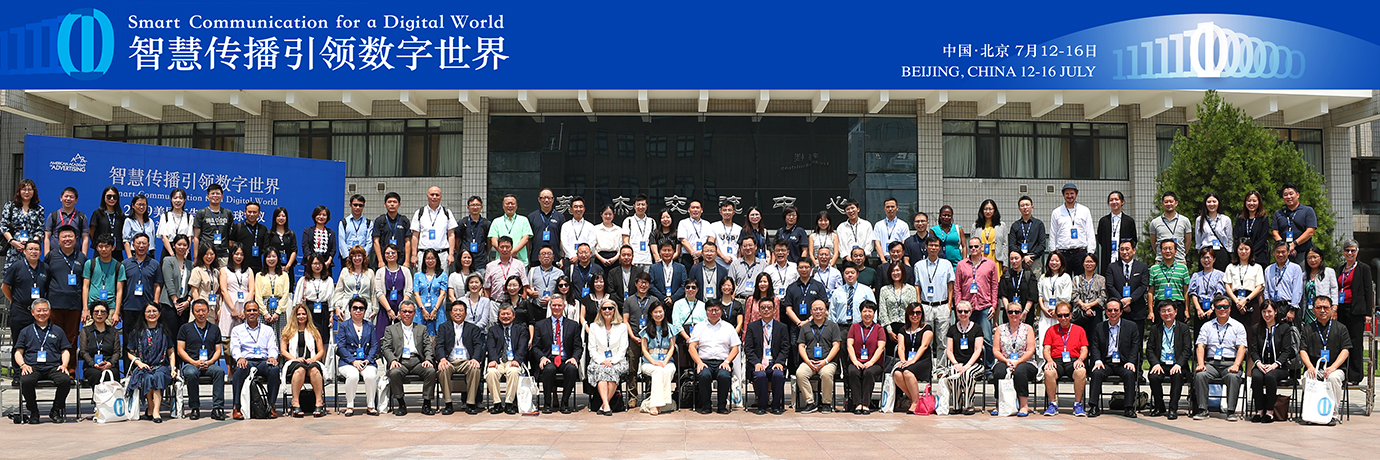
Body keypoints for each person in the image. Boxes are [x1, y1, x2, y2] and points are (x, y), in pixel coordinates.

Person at [13, 300, 73, 424]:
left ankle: (55, 410)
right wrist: (23, 365)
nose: (42, 313)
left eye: (45, 310)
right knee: (26, 381)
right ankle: (34, 412)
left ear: (49, 312)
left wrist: (64, 365)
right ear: (32, 312)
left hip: (53, 367)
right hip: (32, 367)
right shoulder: (25, 331)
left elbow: (65, 351)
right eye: (38, 310)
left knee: (65, 380)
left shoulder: (58, 331)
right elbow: (18, 352)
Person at [1191, 295, 1248, 421]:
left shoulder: (1238, 326)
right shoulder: (1207, 326)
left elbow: (1242, 348)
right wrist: (1201, 363)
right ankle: (1203, 410)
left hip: (1230, 363)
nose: (1222, 309)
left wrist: (1236, 365)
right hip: (1211, 363)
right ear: (1214, 308)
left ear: (1230, 308)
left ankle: (1231, 411)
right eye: (1219, 307)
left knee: (1233, 377)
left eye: (1225, 306)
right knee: (1200, 375)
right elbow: (1200, 346)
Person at [1299, 296, 1351, 424]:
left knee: (1333, 378)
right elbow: (1303, 350)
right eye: (1319, 307)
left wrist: (1333, 367)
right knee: (1307, 377)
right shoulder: (1308, 329)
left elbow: (1345, 350)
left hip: (1335, 369)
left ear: (1331, 309)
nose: (1322, 310)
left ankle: (1332, 414)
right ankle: (1311, 413)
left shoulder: (1341, 328)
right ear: (1313, 310)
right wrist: (1310, 367)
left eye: (1326, 307)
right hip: (1315, 368)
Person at [381, 300, 438, 416]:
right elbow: (386, 348)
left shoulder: (421, 328)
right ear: (399, 312)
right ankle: (401, 403)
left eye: (410, 312)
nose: (407, 314)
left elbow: (428, 346)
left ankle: (426, 404)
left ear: (414, 313)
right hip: (400, 361)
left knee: (431, 371)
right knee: (394, 372)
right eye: (404, 311)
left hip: (417, 361)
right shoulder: (390, 329)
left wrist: (428, 359)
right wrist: (392, 360)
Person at [1086, 300, 1141, 418]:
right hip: (1106, 362)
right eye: (1110, 310)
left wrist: (1131, 361)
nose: (1113, 313)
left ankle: (1129, 407)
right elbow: (1095, 346)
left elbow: (1135, 346)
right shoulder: (1100, 327)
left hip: (1124, 362)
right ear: (1106, 312)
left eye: (1116, 310)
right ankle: (1094, 406)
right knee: (1096, 373)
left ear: (1121, 312)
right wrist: (1097, 360)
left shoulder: (1131, 326)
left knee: (1130, 374)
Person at [229, 300, 281, 420]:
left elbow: (273, 347)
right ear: (244, 312)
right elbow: (234, 347)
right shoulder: (237, 329)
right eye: (249, 310)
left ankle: (271, 406)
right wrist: (239, 357)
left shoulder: (267, 329)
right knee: (239, 370)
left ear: (258, 312)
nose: (251, 312)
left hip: (263, 361)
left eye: (254, 310)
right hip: (246, 361)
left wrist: (272, 357)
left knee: (274, 370)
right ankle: (236, 407)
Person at [175, 299, 226, 420]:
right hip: (191, 363)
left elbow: (218, 350)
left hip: (209, 364)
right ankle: (194, 407)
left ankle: (217, 408)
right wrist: (194, 362)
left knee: (219, 372)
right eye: (197, 311)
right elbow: (180, 350)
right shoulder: (185, 328)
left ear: (208, 311)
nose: (201, 313)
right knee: (191, 373)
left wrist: (210, 362)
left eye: (203, 310)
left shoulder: (214, 328)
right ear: (193, 312)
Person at [689, 302, 740, 414]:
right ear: (706, 312)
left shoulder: (728, 327)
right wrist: (699, 362)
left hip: (723, 361)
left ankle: (722, 406)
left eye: (716, 310)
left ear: (721, 311)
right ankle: (706, 405)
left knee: (724, 376)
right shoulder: (699, 327)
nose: (713, 313)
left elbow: (735, 348)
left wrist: (727, 361)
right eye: (710, 310)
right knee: (704, 375)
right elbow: (691, 347)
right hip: (704, 361)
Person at [435, 300, 485, 415]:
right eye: (455, 310)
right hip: (450, 361)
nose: (458, 313)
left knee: (475, 369)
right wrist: (442, 359)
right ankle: (448, 403)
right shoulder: (443, 327)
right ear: (451, 313)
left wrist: (475, 359)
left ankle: (471, 403)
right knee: (442, 369)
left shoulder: (473, 328)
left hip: (466, 361)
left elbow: (478, 345)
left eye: (461, 310)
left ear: (465, 313)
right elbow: (439, 345)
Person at [534, 296, 583, 413]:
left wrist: (574, 358)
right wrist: (542, 358)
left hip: (566, 359)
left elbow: (578, 347)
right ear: (550, 306)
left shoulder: (573, 325)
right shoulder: (540, 325)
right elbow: (535, 347)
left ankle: (565, 403)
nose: (557, 308)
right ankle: (547, 403)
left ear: (564, 307)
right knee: (549, 369)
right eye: (554, 305)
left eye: (559, 305)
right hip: (548, 359)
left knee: (572, 369)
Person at [1249, 301, 1295, 423]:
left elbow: (1286, 351)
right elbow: (1254, 350)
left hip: (1279, 367)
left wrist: (1275, 365)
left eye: (1269, 311)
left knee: (1270, 376)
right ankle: (1259, 411)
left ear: (1275, 312)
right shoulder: (1256, 328)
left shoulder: (1284, 328)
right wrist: (1259, 364)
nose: (1267, 315)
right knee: (1256, 376)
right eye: (1264, 312)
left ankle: (1270, 412)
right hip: (1261, 365)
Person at [1146, 302, 1192, 420]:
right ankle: (1159, 406)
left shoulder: (1184, 328)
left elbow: (1187, 349)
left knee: (1177, 376)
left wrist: (1179, 364)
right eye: (1163, 311)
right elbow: (1149, 349)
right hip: (1160, 364)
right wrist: (1155, 364)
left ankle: (1173, 408)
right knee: (1153, 377)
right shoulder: (1155, 329)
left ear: (1175, 312)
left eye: (1169, 310)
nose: (1167, 314)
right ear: (1159, 313)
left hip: (1177, 364)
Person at [1336, 239, 1374, 385]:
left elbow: (1368, 291)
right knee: (1342, 343)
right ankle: (1343, 372)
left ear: (1357, 252)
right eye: (1347, 250)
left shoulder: (1364, 268)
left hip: (1356, 311)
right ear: (1343, 252)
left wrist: (1368, 313)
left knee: (1355, 342)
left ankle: (1355, 375)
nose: (1350, 253)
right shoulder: (1341, 269)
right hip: (1342, 309)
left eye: (1353, 250)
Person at [743, 297, 789, 415]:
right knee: (760, 375)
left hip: (775, 362)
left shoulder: (782, 327)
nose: (766, 310)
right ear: (759, 310)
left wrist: (779, 362)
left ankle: (776, 405)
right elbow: (748, 348)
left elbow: (785, 348)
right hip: (758, 362)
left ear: (774, 309)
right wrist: (756, 363)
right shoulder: (752, 327)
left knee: (778, 374)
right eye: (763, 307)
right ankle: (762, 405)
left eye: (769, 307)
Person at [1042, 302, 1089, 417]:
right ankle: (1052, 404)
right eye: (1060, 315)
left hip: (1073, 360)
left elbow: (1084, 349)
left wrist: (1080, 360)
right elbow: (1046, 349)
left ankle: (1078, 404)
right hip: (1056, 360)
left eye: (1066, 315)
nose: (1063, 318)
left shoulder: (1079, 330)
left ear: (1071, 315)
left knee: (1081, 371)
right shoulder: (1051, 330)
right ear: (1056, 316)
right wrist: (1049, 361)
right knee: (1048, 372)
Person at [280, 304, 327, 418]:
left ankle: (319, 402)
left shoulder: (314, 331)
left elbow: (321, 351)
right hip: (293, 361)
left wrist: (313, 359)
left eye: (303, 314)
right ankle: (295, 402)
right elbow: (283, 350)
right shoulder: (287, 331)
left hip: (311, 361)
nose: (301, 316)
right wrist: (295, 359)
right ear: (294, 316)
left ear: (307, 315)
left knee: (315, 370)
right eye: (298, 314)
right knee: (300, 369)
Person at [335, 297, 380, 416]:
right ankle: (349, 406)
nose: (358, 311)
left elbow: (374, 345)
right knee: (353, 375)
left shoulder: (370, 325)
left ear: (365, 310)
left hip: (366, 361)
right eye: (355, 308)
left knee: (370, 376)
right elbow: (341, 346)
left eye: (361, 308)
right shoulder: (344, 325)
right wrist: (353, 361)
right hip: (348, 362)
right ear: (350, 310)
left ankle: (371, 406)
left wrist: (368, 360)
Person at [44, 226, 86, 353]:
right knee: (53, 337)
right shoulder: (51, 256)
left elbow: (84, 282)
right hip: (55, 304)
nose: (67, 239)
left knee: (71, 339)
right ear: (58, 239)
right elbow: (45, 279)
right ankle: (55, 365)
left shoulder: (81, 257)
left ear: (76, 239)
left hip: (74, 304)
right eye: (64, 236)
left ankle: (70, 366)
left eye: (70, 236)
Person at [991, 302, 1036, 417]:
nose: (1014, 314)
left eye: (1017, 312)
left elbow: (1030, 350)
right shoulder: (1000, 329)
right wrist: (1007, 361)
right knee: (999, 372)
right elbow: (996, 350)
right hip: (1004, 360)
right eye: (1010, 312)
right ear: (1007, 313)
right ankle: (1000, 404)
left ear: (1021, 313)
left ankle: (1024, 405)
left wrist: (1018, 362)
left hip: (1025, 361)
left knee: (1020, 371)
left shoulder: (1028, 328)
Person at [914, 236, 954, 365]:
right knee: (927, 341)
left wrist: (949, 304)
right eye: (931, 245)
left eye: (936, 245)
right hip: (925, 306)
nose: (933, 248)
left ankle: (941, 369)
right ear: (926, 247)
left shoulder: (946, 264)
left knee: (942, 340)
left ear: (940, 248)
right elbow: (917, 285)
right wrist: (919, 304)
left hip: (942, 305)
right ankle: (928, 367)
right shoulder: (919, 265)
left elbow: (950, 285)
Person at [796, 300, 841, 413]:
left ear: (825, 310)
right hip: (810, 362)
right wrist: (808, 361)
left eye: (821, 309)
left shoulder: (833, 326)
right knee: (800, 373)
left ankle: (826, 403)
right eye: (815, 309)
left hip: (828, 362)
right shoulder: (805, 327)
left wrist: (825, 361)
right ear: (811, 311)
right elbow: (801, 346)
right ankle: (810, 402)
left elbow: (836, 346)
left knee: (826, 374)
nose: (818, 312)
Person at [4, 240, 48, 355]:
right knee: (18, 343)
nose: (34, 252)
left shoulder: (45, 268)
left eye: (36, 249)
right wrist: (14, 301)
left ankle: (33, 365)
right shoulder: (17, 266)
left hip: (39, 313)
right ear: (24, 251)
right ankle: (17, 366)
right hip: (20, 311)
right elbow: (5, 287)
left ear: (40, 252)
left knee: (37, 342)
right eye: (30, 249)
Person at [587, 298, 629, 415]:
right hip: (598, 361)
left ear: (614, 310)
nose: (607, 311)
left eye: (610, 308)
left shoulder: (622, 327)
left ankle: (604, 405)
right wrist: (602, 361)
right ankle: (606, 405)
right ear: (600, 311)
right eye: (604, 308)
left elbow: (623, 348)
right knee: (602, 370)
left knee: (612, 370)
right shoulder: (593, 326)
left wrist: (612, 361)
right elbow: (592, 348)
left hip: (618, 361)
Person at [120, 233, 164, 347]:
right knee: (128, 340)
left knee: (146, 340)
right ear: (133, 245)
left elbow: (157, 285)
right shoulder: (125, 264)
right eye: (138, 243)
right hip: (129, 307)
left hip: (147, 308)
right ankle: (128, 359)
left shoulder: (154, 264)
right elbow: (120, 287)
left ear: (148, 246)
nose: (141, 246)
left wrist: (155, 304)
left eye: (144, 243)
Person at [844, 301, 887, 414]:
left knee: (868, 372)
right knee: (853, 372)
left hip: (874, 363)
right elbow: (849, 345)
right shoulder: (854, 327)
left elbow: (881, 347)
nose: (867, 314)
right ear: (860, 313)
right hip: (856, 361)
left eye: (870, 311)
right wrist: (854, 361)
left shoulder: (879, 329)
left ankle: (866, 404)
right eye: (864, 311)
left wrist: (871, 362)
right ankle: (857, 404)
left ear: (874, 313)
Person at [486, 303, 529, 415]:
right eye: (503, 314)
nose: (505, 316)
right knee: (491, 373)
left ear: (514, 315)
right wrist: (493, 360)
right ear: (499, 316)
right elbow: (491, 347)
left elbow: (522, 347)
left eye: (508, 314)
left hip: (513, 361)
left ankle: (509, 403)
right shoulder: (493, 330)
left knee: (513, 372)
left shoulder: (521, 329)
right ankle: (497, 403)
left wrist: (517, 360)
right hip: (498, 361)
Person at [639, 301, 679, 414]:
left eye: (660, 311)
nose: (658, 314)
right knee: (657, 370)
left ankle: (662, 402)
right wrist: (654, 362)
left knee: (667, 370)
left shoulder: (671, 328)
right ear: (651, 314)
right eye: (655, 312)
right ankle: (656, 405)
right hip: (649, 362)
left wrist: (665, 361)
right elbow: (644, 350)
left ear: (664, 312)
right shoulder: (646, 330)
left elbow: (672, 348)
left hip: (667, 361)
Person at [1050, 184, 1095, 277]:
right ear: (1063, 195)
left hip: (1080, 252)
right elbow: (1053, 233)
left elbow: (1090, 231)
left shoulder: (1085, 210)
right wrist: (1053, 253)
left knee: (1081, 280)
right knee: (1063, 280)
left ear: (1076, 194)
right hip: (1063, 253)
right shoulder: (1056, 212)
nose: (1069, 196)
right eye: (1067, 194)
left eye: (1072, 193)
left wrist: (1090, 252)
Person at [1106, 239, 1151, 331]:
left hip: (1137, 310)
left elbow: (1143, 285)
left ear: (1133, 250)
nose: (1124, 252)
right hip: (1118, 311)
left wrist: (1131, 299)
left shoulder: (1142, 267)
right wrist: (1122, 303)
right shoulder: (1112, 267)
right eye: (1122, 249)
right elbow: (1110, 286)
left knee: (1137, 337)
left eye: (1127, 249)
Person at [1, 179, 44, 272]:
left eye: (30, 189)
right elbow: (3, 226)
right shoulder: (10, 206)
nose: (27, 192)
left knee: (30, 274)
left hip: (31, 251)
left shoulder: (39, 209)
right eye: (24, 189)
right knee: (12, 274)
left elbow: (40, 229)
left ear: (34, 191)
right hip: (14, 248)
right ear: (19, 191)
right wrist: (13, 242)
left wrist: (31, 245)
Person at [1225, 239, 1265, 337]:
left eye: (1246, 249)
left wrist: (1246, 300)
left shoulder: (1257, 267)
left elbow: (1259, 286)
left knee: (1252, 333)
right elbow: (1227, 286)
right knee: (1235, 334)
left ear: (1251, 250)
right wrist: (1237, 302)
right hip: (1235, 301)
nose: (1243, 251)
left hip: (1251, 300)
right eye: (1241, 249)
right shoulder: (1230, 267)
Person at [411, 187, 457, 270]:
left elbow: (451, 235)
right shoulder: (420, 213)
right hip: (424, 254)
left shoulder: (447, 213)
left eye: (437, 195)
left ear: (441, 196)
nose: (434, 197)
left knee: (442, 277)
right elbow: (415, 235)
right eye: (432, 194)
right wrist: (414, 255)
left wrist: (451, 254)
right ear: (427, 196)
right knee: (423, 277)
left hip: (442, 254)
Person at [78, 301, 122, 388]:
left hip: (109, 365)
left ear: (107, 314)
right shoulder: (85, 331)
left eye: (103, 312)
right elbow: (83, 351)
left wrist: (110, 363)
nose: (99, 314)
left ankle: (108, 396)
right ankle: (97, 396)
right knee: (96, 374)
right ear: (92, 314)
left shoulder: (113, 331)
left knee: (111, 373)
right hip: (92, 366)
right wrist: (93, 364)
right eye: (96, 311)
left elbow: (117, 352)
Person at [374, 244, 413, 340]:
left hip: (402, 308)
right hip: (385, 308)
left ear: (398, 254)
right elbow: (379, 292)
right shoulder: (380, 271)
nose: (390, 255)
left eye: (393, 253)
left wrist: (402, 309)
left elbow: (409, 290)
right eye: (387, 253)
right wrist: (389, 310)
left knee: (402, 336)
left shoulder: (405, 271)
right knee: (382, 336)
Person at [1273, 183, 1318, 266]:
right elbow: (1275, 232)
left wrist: (1294, 244)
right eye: (1285, 195)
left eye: (1291, 194)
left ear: (1297, 195)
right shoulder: (1278, 213)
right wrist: (1285, 247)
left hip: (1303, 253)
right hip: (1284, 255)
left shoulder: (1307, 211)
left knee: (1302, 273)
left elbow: (1310, 231)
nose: (1288, 197)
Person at [160, 235, 194, 336]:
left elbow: (193, 284)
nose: (182, 247)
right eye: (179, 244)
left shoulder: (191, 264)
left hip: (184, 304)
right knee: (170, 335)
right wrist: (175, 301)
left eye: (184, 245)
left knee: (182, 336)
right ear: (174, 245)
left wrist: (187, 301)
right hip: (169, 304)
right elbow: (169, 282)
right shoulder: (168, 261)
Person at [1150, 239, 1190, 323]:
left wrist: (1187, 310)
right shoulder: (1154, 269)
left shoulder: (1183, 268)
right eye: (1165, 248)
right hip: (1160, 305)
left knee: (1179, 330)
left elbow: (1186, 290)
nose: (1168, 251)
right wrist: (1151, 311)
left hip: (1177, 305)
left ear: (1175, 251)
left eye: (1170, 248)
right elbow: (1151, 291)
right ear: (1161, 251)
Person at [1263, 241, 1304, 325]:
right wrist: (1268, 308)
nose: (1280, 254)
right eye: (1278, 252)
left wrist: (1292, 309)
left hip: (1289, 306)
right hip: (1273, 307)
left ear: (1288, 252)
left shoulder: (1295, 268)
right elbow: (1266, 290)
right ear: (1274, 253)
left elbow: (1297, 290)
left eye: (1283, 252)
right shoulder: (1268, 269)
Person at [1037, 252, 1072, 348]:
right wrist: (1043, 309)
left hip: (1060, 313)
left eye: (1057, 260)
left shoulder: (1066, 277)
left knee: (1058, 338)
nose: (1054, 263)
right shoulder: (1043, 277)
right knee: (1044, 336)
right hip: (1046, 311)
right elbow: (1040, 295)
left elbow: (1067, 297)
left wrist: (1056, 311)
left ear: (1061, 262)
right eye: (1052, 260)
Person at [1096, 191, 1137, 271]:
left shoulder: (1129, 221)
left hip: (1123, 256)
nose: (1114, 202)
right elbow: (1100, 239)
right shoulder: (1103, 221)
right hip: (1107, 256)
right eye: (1111, 200)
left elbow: (1133, 239)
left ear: (1122, 202)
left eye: (1116, 199)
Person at [192, 185, 232, 267]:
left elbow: (229, 235)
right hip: (206, 254)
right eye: (213, 193)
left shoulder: (227, 213)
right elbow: (196, 237)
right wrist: (196, 257)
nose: (215, 196)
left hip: (223, 254)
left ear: (222, 196)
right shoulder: (201, 213)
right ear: (208, 196)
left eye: (218, 193)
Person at [220, 243, 255, 335]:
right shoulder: (224, 270)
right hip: (229, 304)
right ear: (231, 254)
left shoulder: (249, 270)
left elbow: (252, 291)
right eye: (236, 254)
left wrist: (246, 309)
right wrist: (233, 309)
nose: (239, 257)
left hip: (245, 303)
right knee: (228, 334)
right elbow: (224, 290)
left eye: (242, 254)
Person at [334, 246, 375, 324]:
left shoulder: (370, 272)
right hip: (347, 307)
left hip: (365, 308)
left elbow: (373, 293)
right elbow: (339, 291)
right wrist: (337, 308)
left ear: (364, 257)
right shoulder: (345, 271)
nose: (357, 258)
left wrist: (375, 310)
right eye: (354, 256)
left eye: (359, 255)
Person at [43, 187, 89, 257]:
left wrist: (83, 257)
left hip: (75, 255)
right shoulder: (53, 215)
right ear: (61, 198)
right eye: (66, 196)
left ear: (76, 200)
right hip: (55, 255)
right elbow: (47, 237)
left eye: (71, 197)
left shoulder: (81, 217)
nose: (68, 199)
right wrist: (47, 256)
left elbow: (85, 238)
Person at [1008, 196, 1048, 276]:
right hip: (1019, 261)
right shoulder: (1015, 225)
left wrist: (1031, 257)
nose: (1025, 207)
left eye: (1027, 205)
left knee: (1035, 282)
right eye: (1022, 205)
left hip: (1034, 260)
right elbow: (1012, 245)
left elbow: (1042, 244)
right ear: (1019, 208)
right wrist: (1022, 257)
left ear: (1032, 207)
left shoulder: (1039, 224)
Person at [188, 242, 222, 335]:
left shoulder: (216, 272)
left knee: (210, 334)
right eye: (206, 254)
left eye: (212, 254)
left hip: (212, 308)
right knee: (197, 333)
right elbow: (194, 291)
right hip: (201, 308)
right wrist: (200, 308)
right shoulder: (197, 270)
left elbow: (219, 292)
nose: (209, 256)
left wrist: (219, 307)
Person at [999, 250, 1038, 330]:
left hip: (1026, 313)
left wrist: (1025, 312)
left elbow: (1032, 295)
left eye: (1016, 258)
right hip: (1009, 313)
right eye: (1011, 259)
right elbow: (1003, 295)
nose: (1014, 261)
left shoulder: (1029, 274)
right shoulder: (1006, 275)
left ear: (1022, 258)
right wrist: (1009, 311)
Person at [373, 192, 413, 269]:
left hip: (400, 260)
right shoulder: (380, 220)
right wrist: (380, 261)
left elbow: (407, 241)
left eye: (395, 202)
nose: (392, 204)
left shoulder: (404, 221)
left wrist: (407, 261)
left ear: (399, 204)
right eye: (389, 202)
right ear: (385, 204)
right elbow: (376, 241)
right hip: (384, 261)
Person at [878, 262, 917, 342]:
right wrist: (889, 330)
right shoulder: (884, 290)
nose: (895, 273)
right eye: (893, 271)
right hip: (889, 328)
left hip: (907, 327)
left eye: (898, 270)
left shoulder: (911, 289)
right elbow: (882, 311)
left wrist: (908, 328)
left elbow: (913, 310)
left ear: (902, 272)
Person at [413, 249, 448, 335]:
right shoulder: (418, 275)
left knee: (439, 335)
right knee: (420, 335)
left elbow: (442, 293)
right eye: (428, 258)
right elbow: (416, 294)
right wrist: (423, 309)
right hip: (421, 309)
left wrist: (435, 310)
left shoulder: (443, 275)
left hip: (437, 308)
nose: (430, 261)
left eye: (432, 258)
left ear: (437, 259)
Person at [1151, 192, 1192, 265]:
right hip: (1161, 261)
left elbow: (1188, 241)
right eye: (1166, 202)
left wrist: (1182, 253)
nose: (1169, 204)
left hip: (1180, 260)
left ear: (1176, 203)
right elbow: (1153, 243)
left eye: (1171, 201)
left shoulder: (1185, 220)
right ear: (1162, 204)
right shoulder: (1155, 222)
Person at [1188, 249, 1227, 326]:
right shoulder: (1196, 276)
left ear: (1214, 259)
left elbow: (1220, 293)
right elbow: (1193, 293)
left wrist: (1212, 308)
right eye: (1203, 258)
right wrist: (1198, 309)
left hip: (1215, 308)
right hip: (1200, 309)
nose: (1206, 260)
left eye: (1208, 257)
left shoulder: (1220, 275)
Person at [257, 249, 291, 336]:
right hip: (263, 310)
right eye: (268, 256)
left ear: (278, 258)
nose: (271, 259)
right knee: (263, 336)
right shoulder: (259, 275)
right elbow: (258, 295)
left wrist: (277, 312)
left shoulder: (284, 275)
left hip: (279, 310)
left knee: (280, 336)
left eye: (273, 256)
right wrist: (265, 313)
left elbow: (285, 295)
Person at [1234, 191, 1272, 266]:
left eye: (1254, 201)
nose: (1251, 203)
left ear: (1259, 202)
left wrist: (1251, 253)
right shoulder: (1240, 219)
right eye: (1249, 201)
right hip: (1242, 256)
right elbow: (1236, 237)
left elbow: (1262, 239)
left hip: (1258, 256)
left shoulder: (1263, 219)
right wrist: (1243, 251)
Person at [1196, 194, 1233, 271]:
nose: (1211, 204)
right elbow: (1198, 239)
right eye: (1209, 202)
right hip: (1205, 252)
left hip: (1221, 252)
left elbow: (1229, 239)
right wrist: (1200, 253)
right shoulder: (1200, 219)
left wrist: (1230, 254)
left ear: (1218, 203)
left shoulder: (1225, 219)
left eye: (1214, 201)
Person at [487, 236, 530, 301]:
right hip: (496, 302)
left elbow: (525, 286)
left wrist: (522, 303)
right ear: (498, 248)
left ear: (511, 247)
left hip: (514, 303)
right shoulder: (490, 266)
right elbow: (487, 288)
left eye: (507, 247)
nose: (504, 250)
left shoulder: (519, 264)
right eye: (502, 247)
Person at [337, 196, 374, 270]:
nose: (357, 207)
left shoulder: (368, 223)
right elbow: (341, 241)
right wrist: (348, 256)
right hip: (347, 257)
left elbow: (369, 242)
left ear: (363, 206)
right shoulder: (343, 222)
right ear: (350, 205)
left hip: (362, 258)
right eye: (355, 205)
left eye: (360, 205)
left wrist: (363, 255)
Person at [622, 194, 658, 271]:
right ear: (634, 206)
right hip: (634, 260)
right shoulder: (628, 221)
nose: (640, 207)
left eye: (643, 204)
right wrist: (629, 258)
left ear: (646, 206)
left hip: (647, 260)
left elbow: (653, 242)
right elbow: (625, 241)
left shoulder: (651, 221)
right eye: (638, 204)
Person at [91, 186, 127, 262]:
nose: (112, 199)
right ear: (104, 197)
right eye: (109, 196)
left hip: (116, 250)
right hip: (102, 249)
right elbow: (91, 232)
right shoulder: (98, 213)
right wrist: (99, 244)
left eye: (115, 197)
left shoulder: (121, 215)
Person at [526, 190, 562, 266]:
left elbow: (562, 239)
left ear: (553, 200)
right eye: (544, 198)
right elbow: (528, 240)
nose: (546, 200)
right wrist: (528, 258)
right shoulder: (532, 217)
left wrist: (562, 257)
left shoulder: (559, 217)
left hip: (555, 258)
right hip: (536, 258)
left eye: (549, 198)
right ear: (539, 199)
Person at [229, 201, 267, 271]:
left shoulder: (263, 229)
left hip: (257, 266)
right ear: (245, 212)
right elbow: (231, 244)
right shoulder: (238, 227)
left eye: (255, 212)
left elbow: (265, 248)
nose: (252, 214)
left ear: (259, 213)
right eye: (249, 212)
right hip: (240, 266)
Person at [1071, 254, 1106, 332]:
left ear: (1095, 264)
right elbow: (1074, 295)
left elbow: (1103, 297)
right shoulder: (1076, 279)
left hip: (1095, 311)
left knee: (1095, 335)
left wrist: (1089, 305)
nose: (1089, 264)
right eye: (1087, 262)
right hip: (1080, 312)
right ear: (1083, 263)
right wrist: (1084, 306)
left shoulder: (1101, 279)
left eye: (1091, 262)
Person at [973, 199, 1007, 278]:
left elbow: (1005, 244)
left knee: (995, 281)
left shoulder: (1001, 225)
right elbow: (972, 244)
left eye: (990, 209)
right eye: (985, 209)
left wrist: (1005, 263)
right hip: (980, 259)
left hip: (996, 258)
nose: (988, 211)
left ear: (994, 210)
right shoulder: (975, 225)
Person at [1303, 247, 1338, 324]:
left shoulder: (1329, 272)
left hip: (1323, 309)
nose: (1312, 260)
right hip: (1309, 311)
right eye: (1309, 258)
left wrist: (1334, 308)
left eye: (1315, 257)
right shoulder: (1304, 275)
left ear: (1321, 258)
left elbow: (1334, 290)